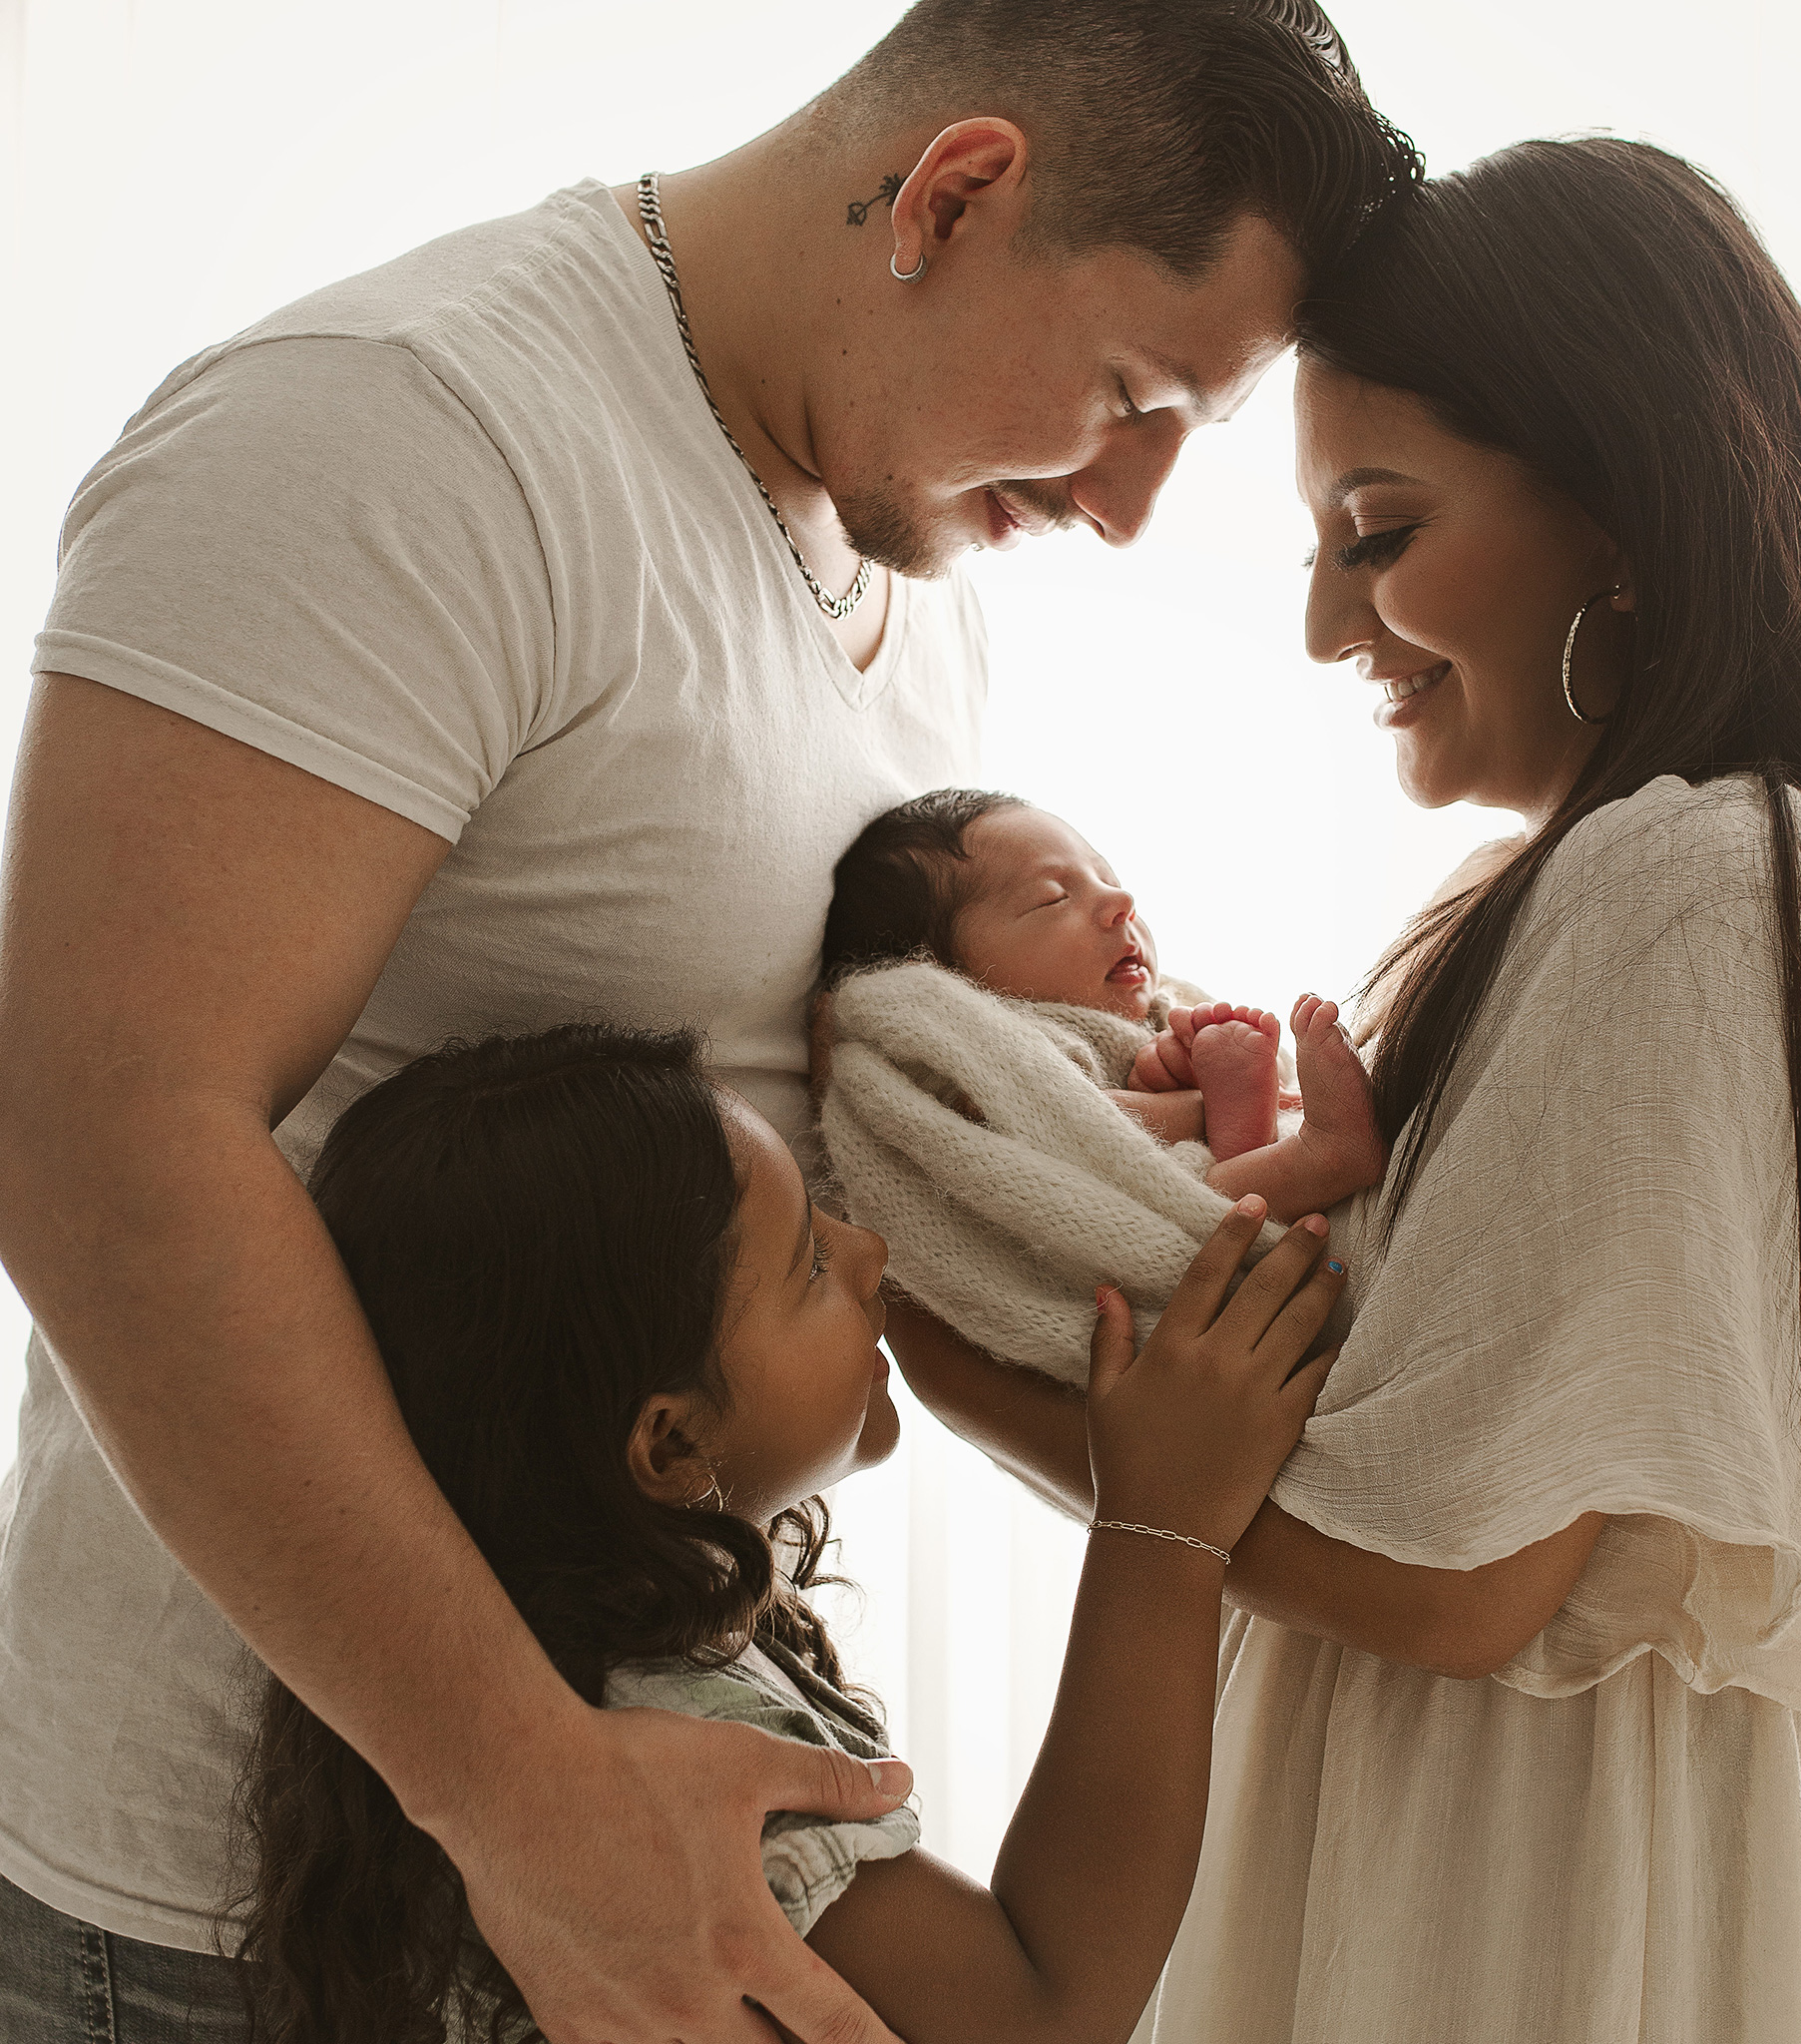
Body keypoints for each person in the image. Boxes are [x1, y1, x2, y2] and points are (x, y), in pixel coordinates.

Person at [0, 3, 1422, 2037]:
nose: (1125, 502)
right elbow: (90, 1135)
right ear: (953, 193)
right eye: (1128, 391)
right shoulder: (401, 430)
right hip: (238, 1925)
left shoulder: (908, 589)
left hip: (627, 1856)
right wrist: (517, 1788)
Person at [883, 138, 1801, 2041]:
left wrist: (959, 1368)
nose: (1332, 630)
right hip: (1558, 1847)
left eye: (1380, 530)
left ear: (1618, 508)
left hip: (1535, 1884)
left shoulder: (1682, 882)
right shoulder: (1675, 881)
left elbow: (1466, 1578)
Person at [233, 1020, 1341, 2044]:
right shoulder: (669, 1743)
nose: (869, 1251)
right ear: (668, 1444)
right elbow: (1041, 2007)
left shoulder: (552, 1654)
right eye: (809, 1262)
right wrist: (1162, 1526)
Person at [821, 787, 1386, 1217]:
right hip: (1124, 1223)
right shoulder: (986, 1037)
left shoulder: (1167, 1010)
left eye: (1107, 877)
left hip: (1204, 1174)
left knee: (1213, 1172)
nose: (1122, 900)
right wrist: (1205, 1103)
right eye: (1053, 898)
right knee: (1202, 1197)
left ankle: (1258, 1144)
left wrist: (1170, 1068)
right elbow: (1044, 1116)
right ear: (946, 979)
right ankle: (1326, 1156)